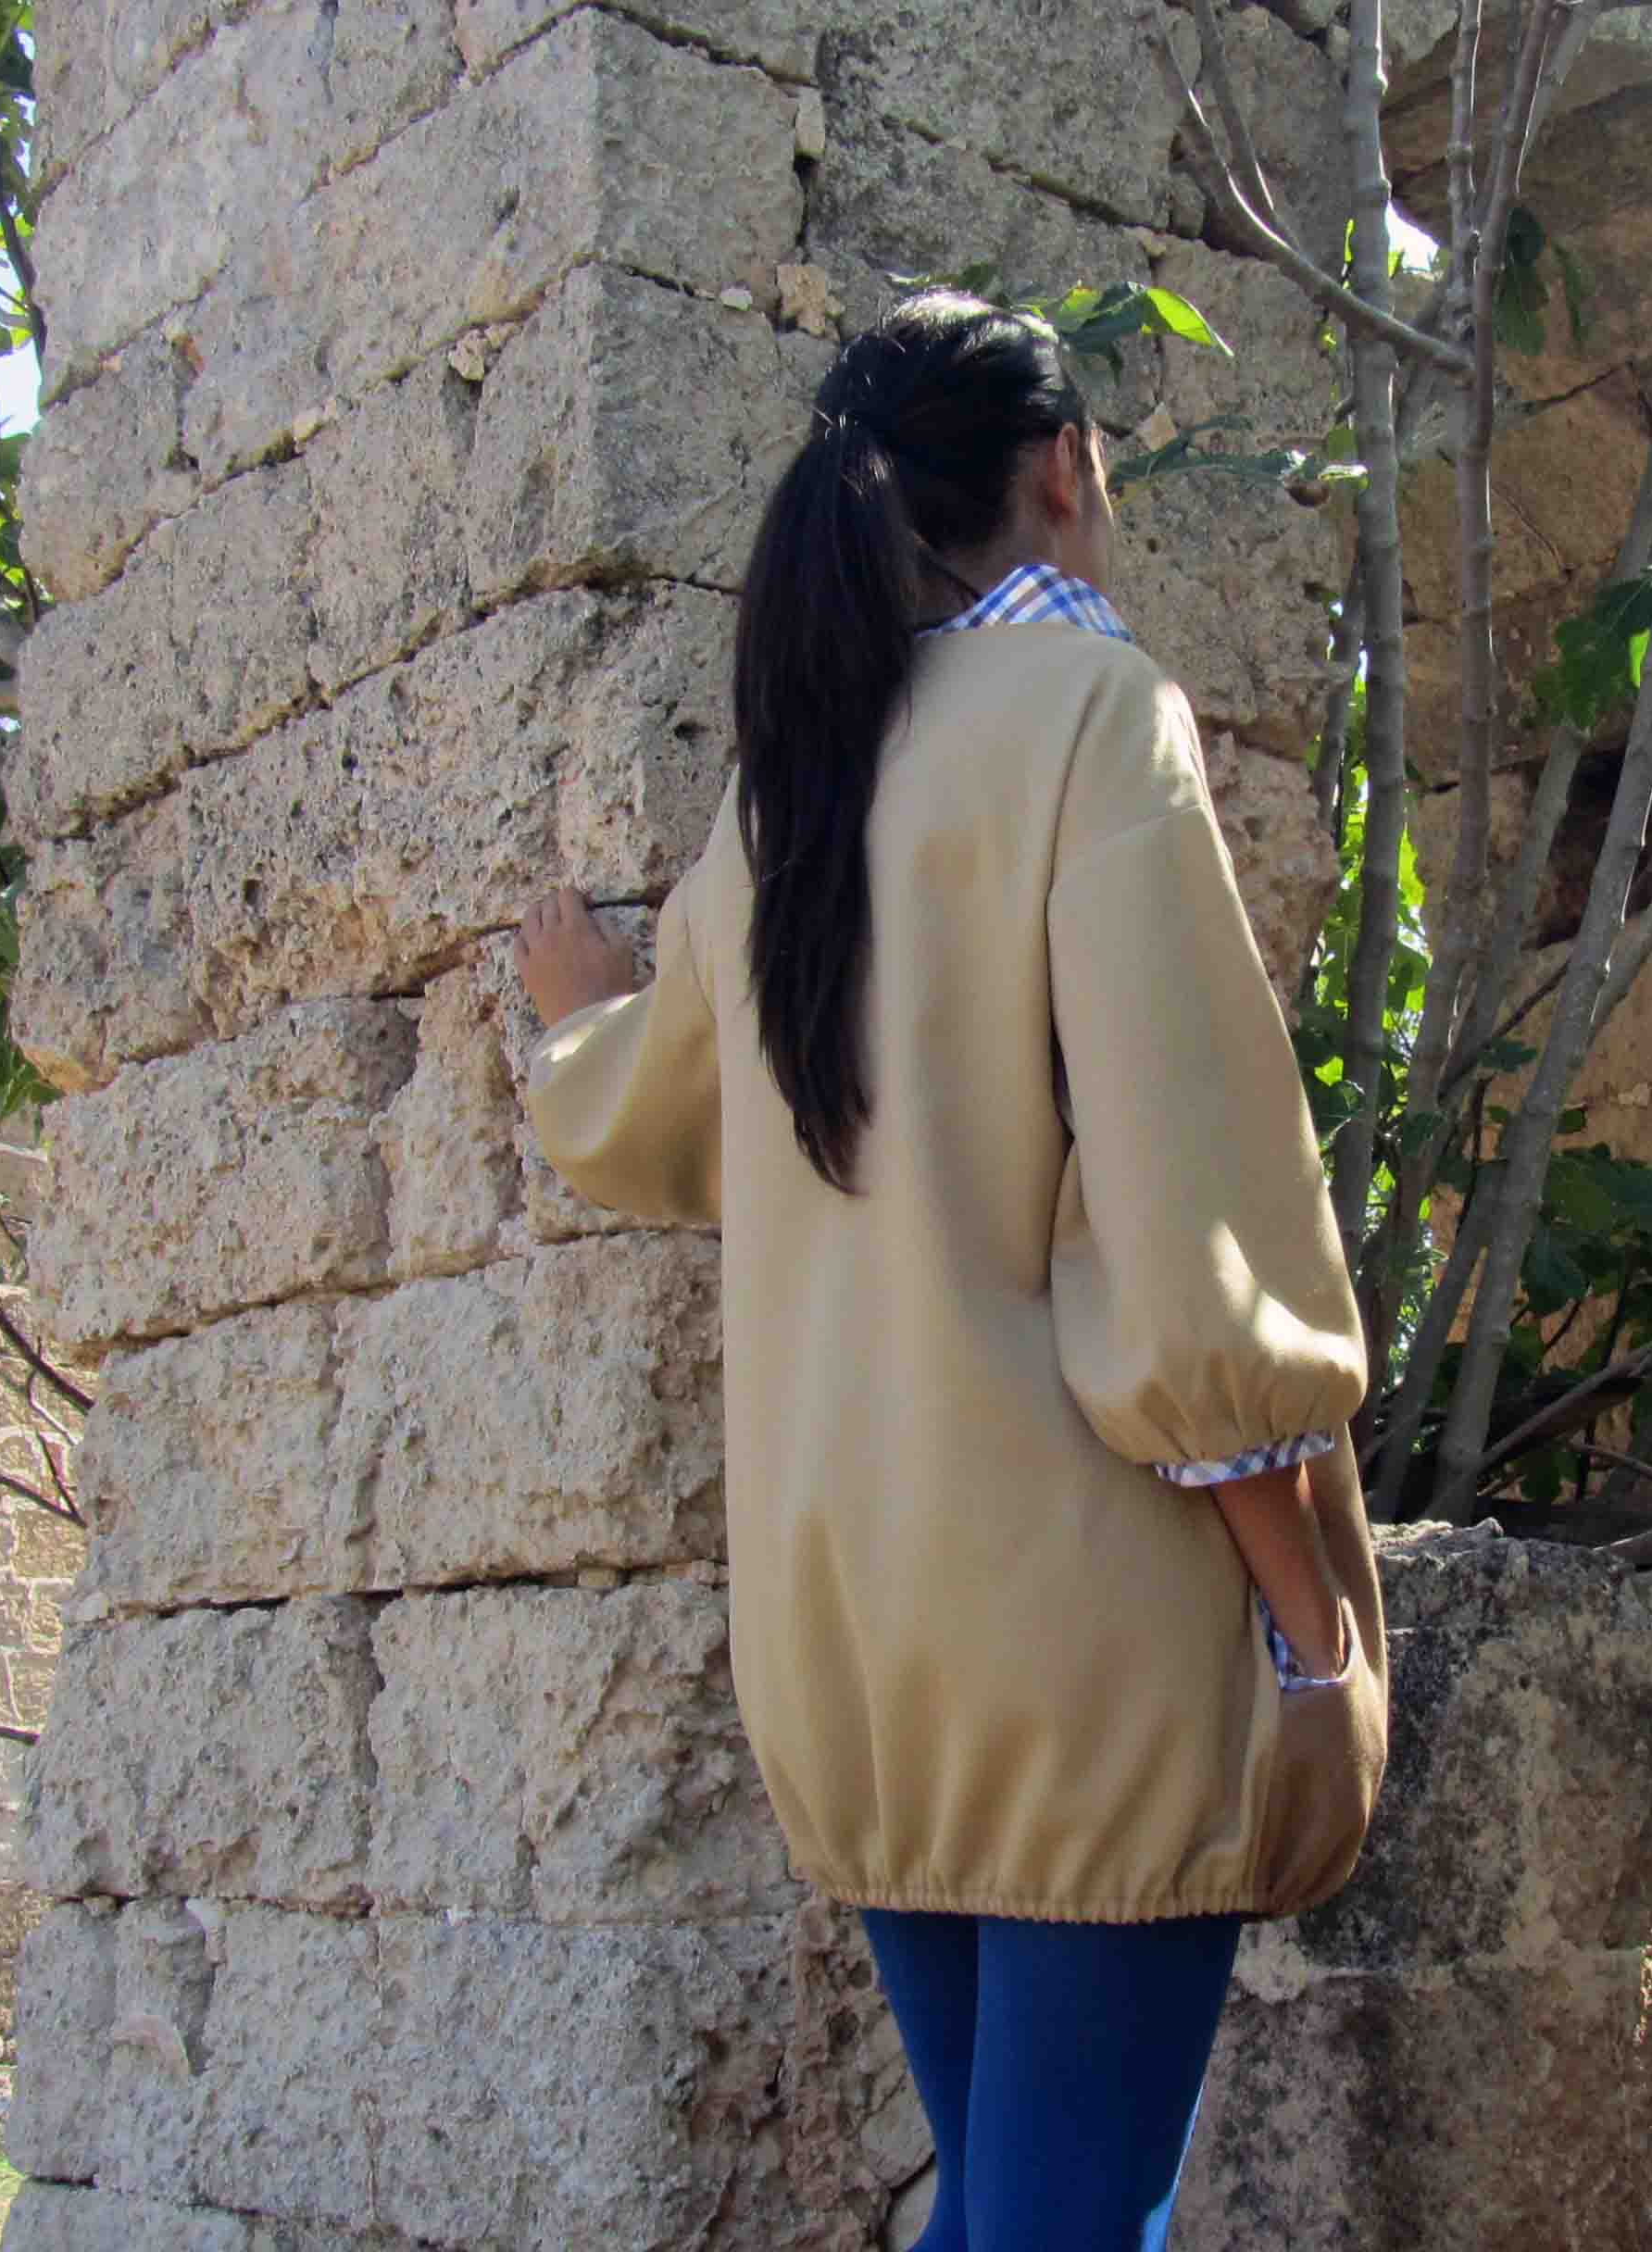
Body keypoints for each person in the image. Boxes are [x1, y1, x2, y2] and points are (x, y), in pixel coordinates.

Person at [509, 289, 1389, 2252]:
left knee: (1011, 2205)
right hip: (1081, 1640)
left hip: (855, 1647)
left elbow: (662, 1113)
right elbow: (1184, 1232)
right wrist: (1311, 1625)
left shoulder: (788, 793)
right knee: (1064, 2224)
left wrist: (578, 1023)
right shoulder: (1092, 716)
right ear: (1066, 469)